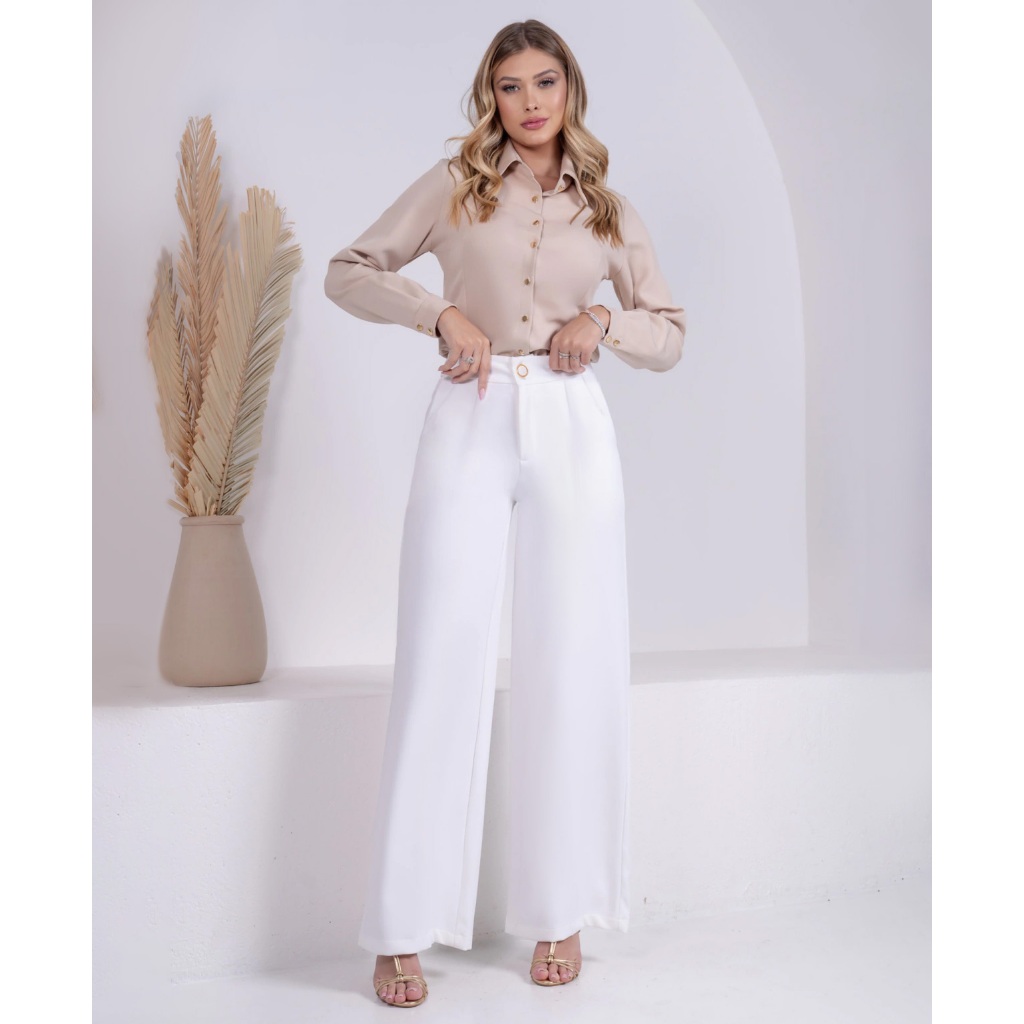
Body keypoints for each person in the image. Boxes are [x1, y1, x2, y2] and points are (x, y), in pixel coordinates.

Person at [324, 18, 686, 1008]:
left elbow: (670, 332)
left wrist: (604, 319)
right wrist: (438, 313)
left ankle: (561, 909)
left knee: (571, 658)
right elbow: (348, 268)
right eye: (511, 85)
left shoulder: (608, 208)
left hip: (572, 426)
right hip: (470, 416)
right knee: (440, 654)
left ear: (571, 90)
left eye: (545, 82)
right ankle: (398, 928)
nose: (530, 102)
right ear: (491, 96)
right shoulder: (454, 188)